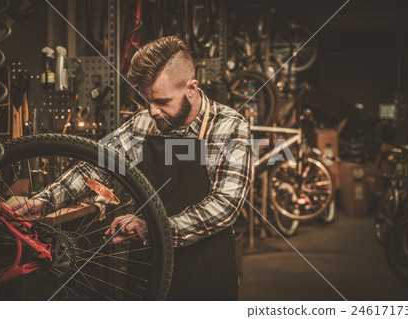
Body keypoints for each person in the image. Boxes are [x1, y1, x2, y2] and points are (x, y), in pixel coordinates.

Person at [14, 36, 252, 300]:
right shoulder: (142, 125)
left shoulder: (229, 126)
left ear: (192, 88)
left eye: (162, 101)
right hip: (148, 270)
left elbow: (225, 204)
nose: (151, 111)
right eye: (146, 100)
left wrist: (154, 228)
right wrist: (44, 201)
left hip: (206, 273)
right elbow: (96, 167)